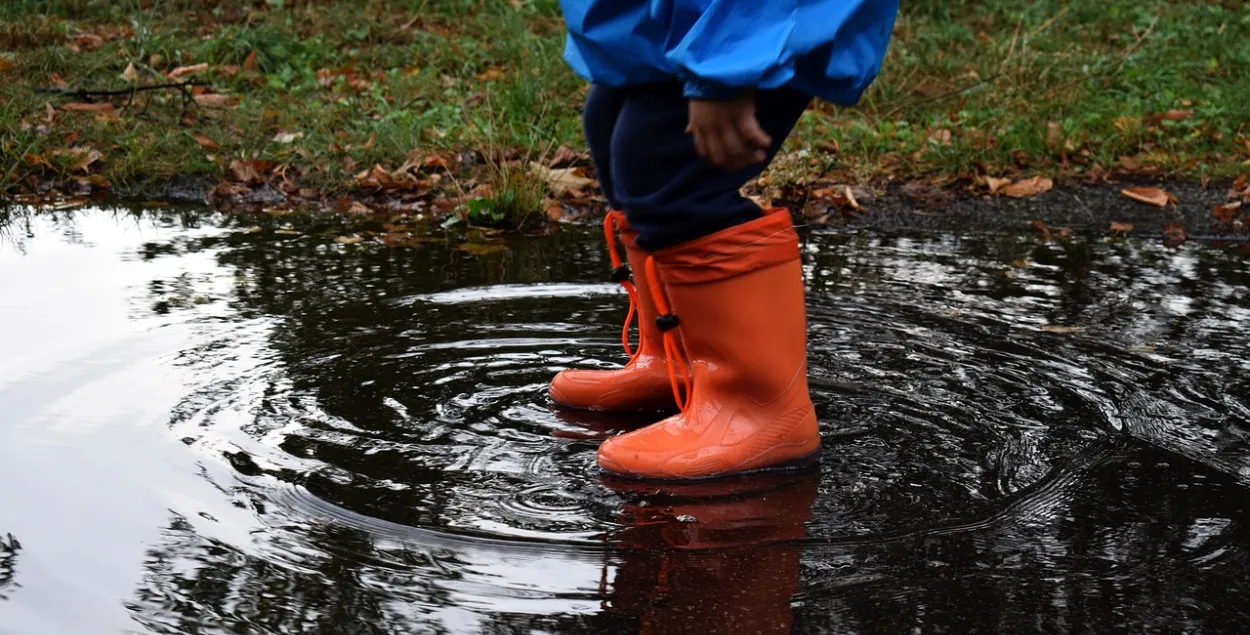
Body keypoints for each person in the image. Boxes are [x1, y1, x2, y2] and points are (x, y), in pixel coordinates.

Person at [549, 0, 899, 480]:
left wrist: (728, 66)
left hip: (747, 25)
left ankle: (759, 411)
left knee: (667, 164)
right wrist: (628, 43)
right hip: (679, 22)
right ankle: (679, 361)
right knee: (611, 123)